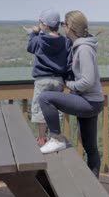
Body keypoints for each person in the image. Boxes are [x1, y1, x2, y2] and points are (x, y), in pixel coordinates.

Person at [38, 10, 104, 178]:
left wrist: (70, 84)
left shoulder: (83, 49)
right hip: (90, 100)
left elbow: (88, 80)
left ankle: (56, 138)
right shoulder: (80, 46)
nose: (62, 28)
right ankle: (94, 186)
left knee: (45, 98)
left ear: (71, 27)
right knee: (91, 148)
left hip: (89, 102)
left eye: (64, 25)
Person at [24, 9, 73, 146]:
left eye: (40, 22)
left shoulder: (39, 39)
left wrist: (34, 32)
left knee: (40, 107)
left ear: (44, 24)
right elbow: (69, 60)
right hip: (58, 80)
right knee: (55, 107)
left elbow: (30, 47)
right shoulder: (65, 41)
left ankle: (41, 138)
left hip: (42, 80)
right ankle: (55, 137)